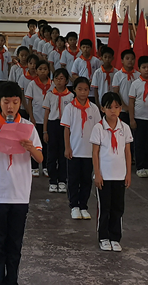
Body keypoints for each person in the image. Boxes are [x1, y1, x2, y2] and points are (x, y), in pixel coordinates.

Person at [0, 81, 43, 285]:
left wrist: (30, 148)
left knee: (15, 242)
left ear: (20, 102)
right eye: (6, 102)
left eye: (15, 102)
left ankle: (12, 279)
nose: (11, 107)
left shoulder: (28, 127)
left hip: (20, 192)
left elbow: (40, 158)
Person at [91, 91, 132, 252]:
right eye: (109, 107)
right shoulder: (98, 128)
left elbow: (127, 152)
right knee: (104, 208)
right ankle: (103, 237)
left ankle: (115, 237)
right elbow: (95, 153)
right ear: (102, 109)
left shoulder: (125, 128)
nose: (113, 111)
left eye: (116, 107)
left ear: (120, 108)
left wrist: (128, 173)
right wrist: (97, 174)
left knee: (118, 207)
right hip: (105, 175)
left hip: (119, 175)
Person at [62, 76, 100, 220]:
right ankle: (74, 206)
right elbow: (66, 129)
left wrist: (97, 150)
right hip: (75, 150)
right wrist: (67, 147)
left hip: (89, 152)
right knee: (73, 179)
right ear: (74, 90)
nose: (83, 92)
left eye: (85, 89)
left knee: (86, 180)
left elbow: (98, 129)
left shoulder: (94, 108)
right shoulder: (70, 108)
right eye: (80, 89)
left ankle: (83, 205)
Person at [43, 67, 75, 193]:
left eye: (62, 78)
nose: (59, 81)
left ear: (66, 81)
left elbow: (72, 115)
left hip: (65, 126)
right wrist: (45, 131)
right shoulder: (50, 95)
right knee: (52, 154)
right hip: (53, 125)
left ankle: (62, 180)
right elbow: (46, 114)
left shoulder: (71, 96)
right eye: (56, 78)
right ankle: (53, 180)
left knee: (64, 153)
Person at [23, 59, 51, 177]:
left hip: (48, 120)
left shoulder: (52, 84)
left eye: (45, 69)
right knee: (34, 143)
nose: (43, 71)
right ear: (37, 71)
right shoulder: (32, 84)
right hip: (36, 118)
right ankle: (34, 166)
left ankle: (45, 166)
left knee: (46, 144)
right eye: (40, 69)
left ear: (48, 70)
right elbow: (29, 101)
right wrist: (31, 116)